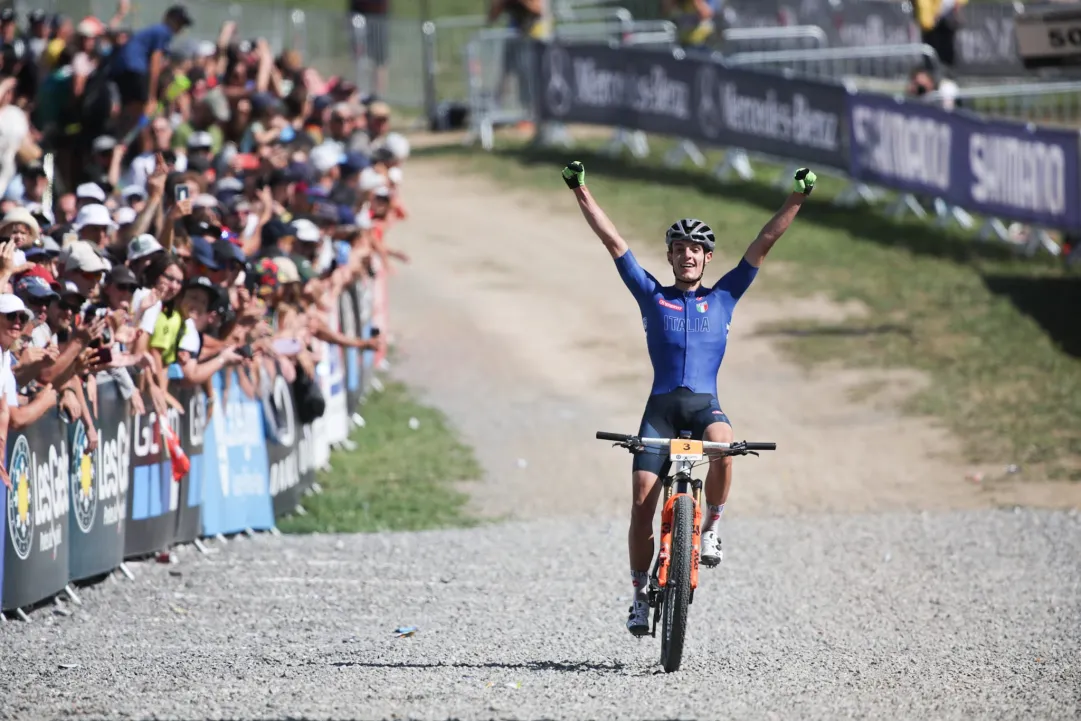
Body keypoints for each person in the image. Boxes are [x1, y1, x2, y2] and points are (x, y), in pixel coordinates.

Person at [559, 160, 816, 636]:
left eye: (696, 250)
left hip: (704, 406)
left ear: (707, 257)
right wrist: (581, 190)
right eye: (679, 249)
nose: (688, 256)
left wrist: (797, 198)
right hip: (659, 410)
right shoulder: (651, 295)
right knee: (641, 504)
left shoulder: (724, 297)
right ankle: (638, 596)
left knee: (724, 442)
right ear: (672, 256)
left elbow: (765, 242)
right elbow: (613, 242)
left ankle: (713, 527)